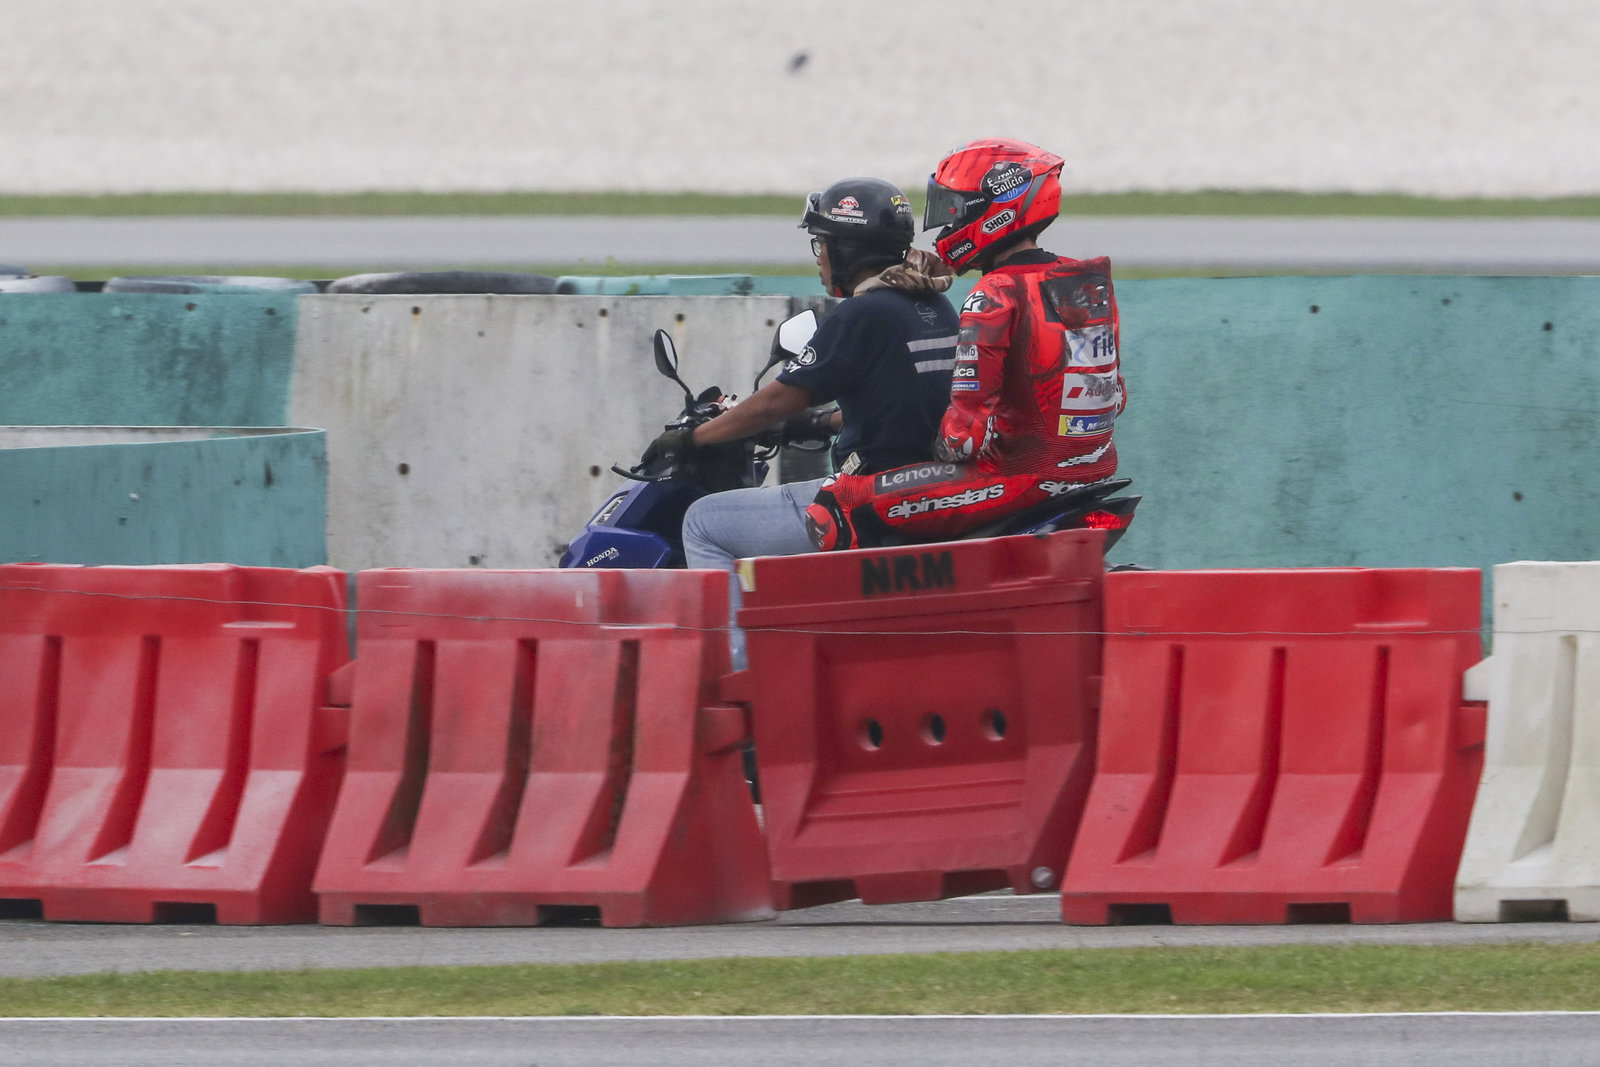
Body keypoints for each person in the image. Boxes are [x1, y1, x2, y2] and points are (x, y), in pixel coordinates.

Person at [642, 176, 959, 662]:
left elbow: (777, 399)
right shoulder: (934, 304)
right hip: (925, 483)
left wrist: (694, 439)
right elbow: (902, 396)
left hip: (871, 493)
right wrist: (815, 424)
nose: (819, 257)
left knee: (704, 521)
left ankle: (740, 678)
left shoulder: (863, 314)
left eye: (823, 243)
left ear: (847, 249)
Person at [803, 138, 1126, 550]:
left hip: (1018, 477)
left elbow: (963, 438)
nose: (947, 225)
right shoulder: (1087, 281)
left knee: (838, 503)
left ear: (992, 211)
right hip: (1094, 470)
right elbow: (1115, 398)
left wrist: (932, 450)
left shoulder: (995, 292)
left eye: (954, 209)